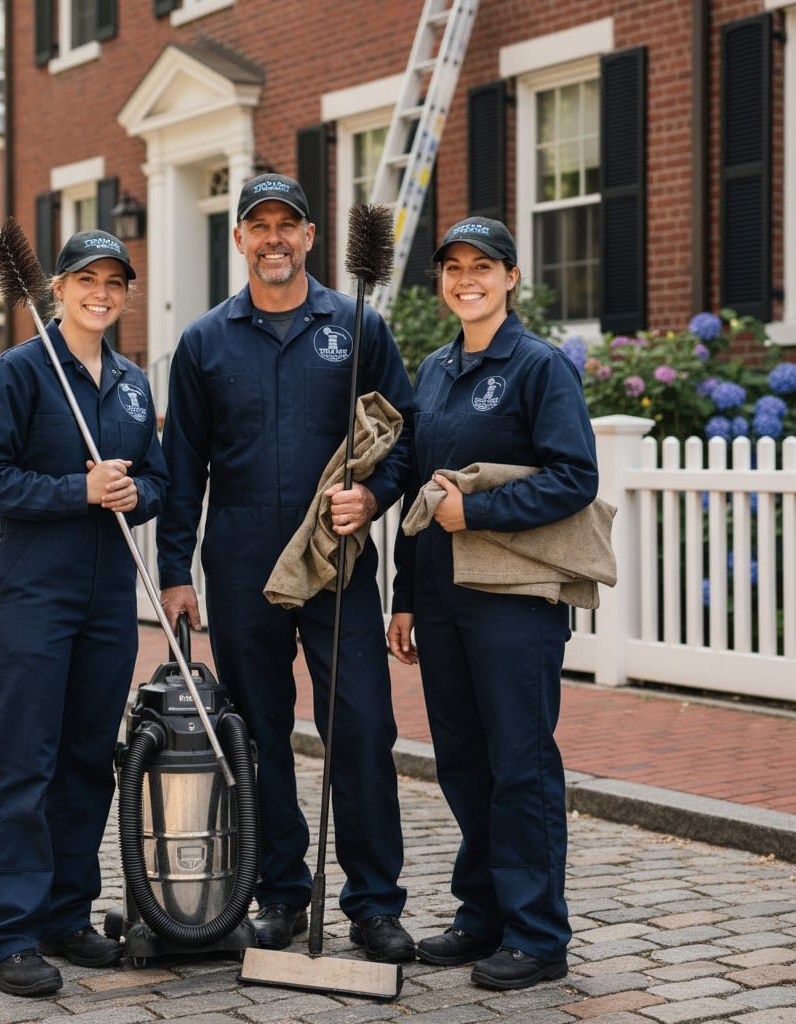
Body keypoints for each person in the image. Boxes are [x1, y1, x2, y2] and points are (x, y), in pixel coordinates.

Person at [156, 173, 416, 964]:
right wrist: (175, 573)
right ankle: (279, 892)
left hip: (337, 560)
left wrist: (373, 496)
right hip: (241, 564)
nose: (274, 238)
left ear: (309, 236)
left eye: (287, 225)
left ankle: (374, 903)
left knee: (362, 727)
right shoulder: (204, 341)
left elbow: (405, 435)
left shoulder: (357, 325)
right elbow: (182, 468)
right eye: (259, 225)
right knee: (256, 732)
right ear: (238, 238)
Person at [387, 217, 599, 990]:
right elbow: (419, 491)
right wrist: (405, 597)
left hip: (514, 601)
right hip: (442, 597)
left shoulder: (540, 366)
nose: (466, 279)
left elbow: (575, 478)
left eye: (483, 266)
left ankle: (538, 935)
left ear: (511, 277)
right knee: (464, 762)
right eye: (454, 267)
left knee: (520, 763)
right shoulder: (435, 369)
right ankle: (483, 915)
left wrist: (475, 512)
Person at [0, 230, 169, 996]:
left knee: (86, 760)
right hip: (32, 592)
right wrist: (75, 490)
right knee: (24, 763)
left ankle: (65, 915)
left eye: (115, 282)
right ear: (59, 287)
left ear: (126, 293)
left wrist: (133, 492)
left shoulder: (132, 383)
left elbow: (158, 480)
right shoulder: (19, 371)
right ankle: (8, 935)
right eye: (87, 279)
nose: (101, 293)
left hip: (108, 597)